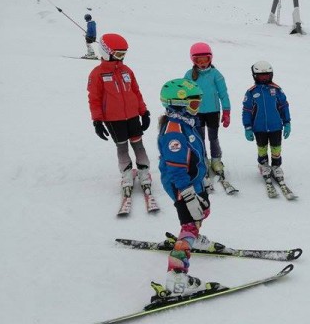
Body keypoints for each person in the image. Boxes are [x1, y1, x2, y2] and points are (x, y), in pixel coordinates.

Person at [155, 78, 217, 298]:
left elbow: (195, 156)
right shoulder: (174, 131)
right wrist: (188, 195)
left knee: (203, 210)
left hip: (193, 180)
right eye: (194, 103)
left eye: (199, 102)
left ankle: (193, 236)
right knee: (190, 223)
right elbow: (176, 168)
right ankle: (176, 276)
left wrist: (203, 179)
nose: (198, 107)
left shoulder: (185, 123)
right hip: (181, 184)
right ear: (178, 104)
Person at [87, 33, 152, 194]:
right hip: (113, 120)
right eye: (118, 54)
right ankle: (126, 174)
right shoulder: (97, 74)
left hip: (132, 116)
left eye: (123, 54)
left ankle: (144, 172)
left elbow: (136, 92)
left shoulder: (127, 71)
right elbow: (94, 99)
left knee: (138, 145)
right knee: (122, 147)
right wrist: (97, 121)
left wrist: (144, 112)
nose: (120, 58)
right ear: (105, 52)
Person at [184, 42, 231, 185]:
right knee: (199, 138)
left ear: (210, 59)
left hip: (213, 112)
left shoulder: (216, 74)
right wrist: (186, 112)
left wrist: (226, 111)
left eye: (205, 60)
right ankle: (202, 159)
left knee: (213, 137)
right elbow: (185, 95)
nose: (202, 63)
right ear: (193, 60)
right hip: (196, 112)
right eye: (199, 60)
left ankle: (216, 160)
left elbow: (223, 93)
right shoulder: (189, 75)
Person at [242, 61, 291, 181]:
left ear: (271, 75)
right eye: (261, 76)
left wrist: (287, 122)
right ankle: (263, 165)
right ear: (255, 76)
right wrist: (248, 127)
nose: (264, 78)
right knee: (262, 147)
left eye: (267, 76)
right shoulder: (251, 92)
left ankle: (276, 166)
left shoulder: (277, 90)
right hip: (259, 127)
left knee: (276, 147)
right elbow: (247, 110)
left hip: (275, 126)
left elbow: (284, 106)